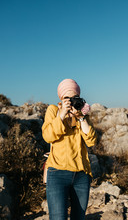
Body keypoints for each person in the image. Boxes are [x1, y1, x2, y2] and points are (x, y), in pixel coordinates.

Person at [42, 79, 97, 220]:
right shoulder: (53, 111)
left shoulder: (80, 114)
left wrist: (81, 117)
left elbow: (91, 141)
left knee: (78, 217)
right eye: (67, 98)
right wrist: (62, 114)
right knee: (58, 217)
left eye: (74, 98)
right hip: (57, 173)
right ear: (61, 98)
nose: (71, 102)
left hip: (81, 174)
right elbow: (48, 136)